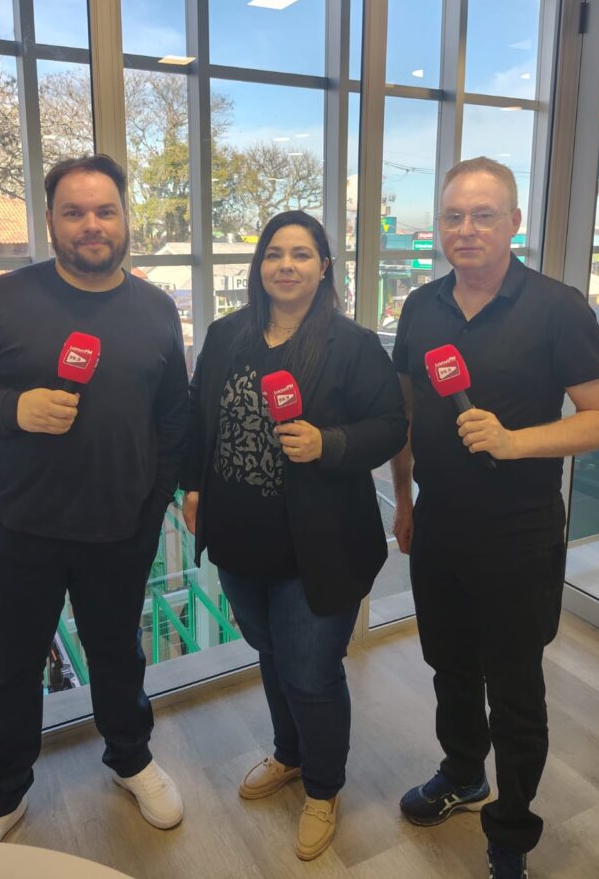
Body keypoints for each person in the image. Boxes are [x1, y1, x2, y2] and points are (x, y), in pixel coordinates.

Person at [0, 154, 189, 841]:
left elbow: (172, 419)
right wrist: (13, 409)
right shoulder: (1, 300)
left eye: (105, 210)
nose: (91, 224)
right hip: (19, 529)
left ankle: (130, 759)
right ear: (51, 221)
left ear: (125, 218)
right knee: (11, 669)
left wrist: (153, 504)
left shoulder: (157, 310)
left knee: (119, 657)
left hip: (120, 530)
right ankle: (2, 796)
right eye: (75, 212)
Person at [390, 157, 599, 879]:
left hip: (519, 535)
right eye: (453, 216)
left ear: (514, 223)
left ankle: (512, 832)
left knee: (516, 690)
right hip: (439, 526)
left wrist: (514, 441)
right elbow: (407, 414)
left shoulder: (558, 308)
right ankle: (464, 774)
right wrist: (404, 500)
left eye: (483, 215)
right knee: (450, 669)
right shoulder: (421, 307)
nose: (465, 229)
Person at [181, 210, 407, 860]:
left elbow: (390, 426)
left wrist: (328, 442)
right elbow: (199, 418)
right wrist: (193, 488)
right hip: (239, 541)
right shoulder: (225, 336)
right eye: (274, 253)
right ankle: (289, 754)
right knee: (271, 652)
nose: (286, 265)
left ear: (324, 267)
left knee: (310, 672)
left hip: (320, 547)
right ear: (259, 266)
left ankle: (323, 788)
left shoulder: (352, 345)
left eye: (302, 254)